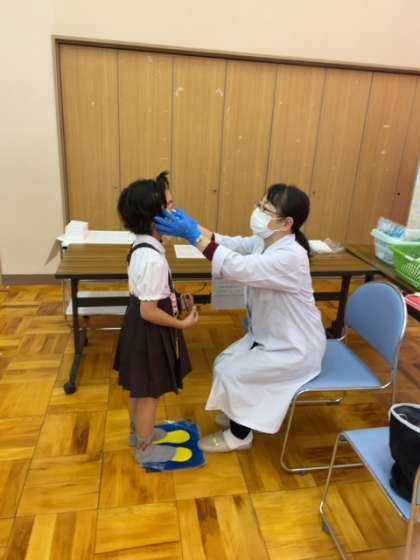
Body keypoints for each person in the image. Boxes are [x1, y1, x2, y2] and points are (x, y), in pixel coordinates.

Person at [155, 183, 326, 453]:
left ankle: (239, 436)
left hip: (296, 347)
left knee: (232, 373)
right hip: (270, 337)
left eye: (265, 209)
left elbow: (238, 267)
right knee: (224, 362)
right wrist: (193, 227)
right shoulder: (265, 241)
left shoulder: (291, 257)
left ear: (286, 223)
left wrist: (191, 235)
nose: (257, 211)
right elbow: (228, 243)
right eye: (259, 205)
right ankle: (242, 415)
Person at [114, 171, 199, 465]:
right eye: (170, 206)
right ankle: (146, 449)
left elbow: (148, 294)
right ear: (153, 218)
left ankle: (137, 433)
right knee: (150, 394)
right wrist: (182, 323)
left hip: (137, 328)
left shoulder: (142, 245)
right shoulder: (153, 258)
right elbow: (149, 311)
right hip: (148, 330)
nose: (176, 211)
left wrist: (177, 299)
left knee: (140, 388)